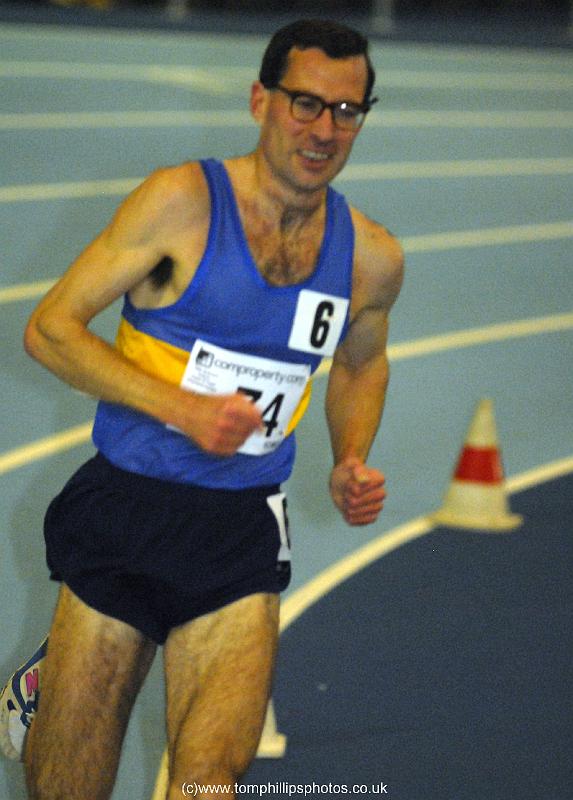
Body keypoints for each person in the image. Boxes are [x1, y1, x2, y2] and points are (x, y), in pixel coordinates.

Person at [0, 17, 403, 800]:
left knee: (211, 779)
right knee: (69, 784)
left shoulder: (371, 257)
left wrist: (351, 455)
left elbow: (361, 363)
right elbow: (50, 330)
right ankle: (53, 674)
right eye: (305, 103)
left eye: (346, 111)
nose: (324, 130)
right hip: (128, 507)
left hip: (241, 525)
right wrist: (180, 408)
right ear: (260, 100)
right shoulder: (181, 203)